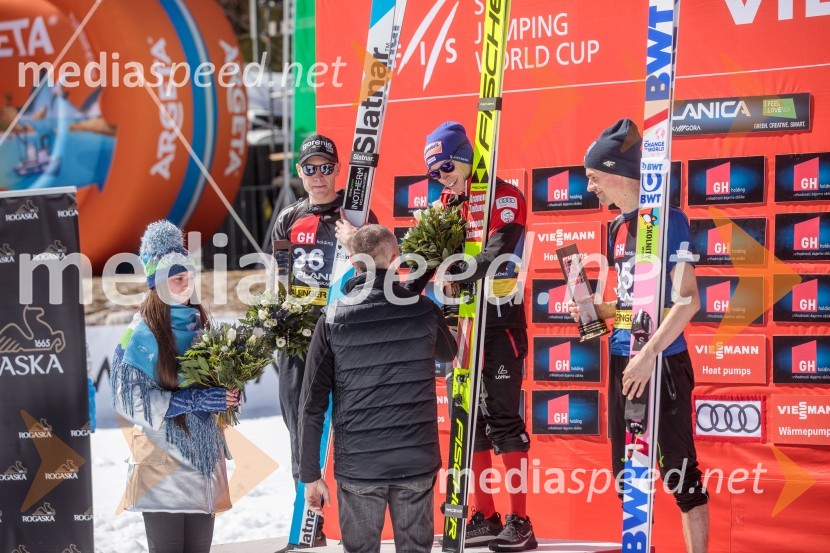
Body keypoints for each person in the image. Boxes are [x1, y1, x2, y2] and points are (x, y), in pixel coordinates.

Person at [572, 118, 709, 553]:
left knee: (681, 475)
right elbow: (635, 305)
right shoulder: (617, 227)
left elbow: (687, 301)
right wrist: (597, 311)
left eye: (594, 176)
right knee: (627, 476)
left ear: (617, 171)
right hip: (624, 358)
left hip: (661, 361)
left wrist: (648, 354)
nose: (590, 187)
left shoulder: (668, 220)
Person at [411, 121, 536, 550]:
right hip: (461, 324)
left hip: (500, 320)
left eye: (446, 166)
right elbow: (426, 256)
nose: (441, 177)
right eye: (433, 172)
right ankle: (485, 514)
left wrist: (458, 274)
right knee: (468, 419)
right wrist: (410, 287)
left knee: (503, 418)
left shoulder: (504, 195)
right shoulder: (445, 203)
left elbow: (500, 248)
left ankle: (522, 521)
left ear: (465, 156)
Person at [299, 224, 457, 553]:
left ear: (353, 262)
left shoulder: (333, 317)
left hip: (359, 467)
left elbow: (312, 404)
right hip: (416, 460)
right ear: (396, 258)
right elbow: (447, 352)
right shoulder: (425, 309)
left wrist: (310, 474)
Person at [111, 220, 240, 553]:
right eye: (177, 278)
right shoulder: (141, 332)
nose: (186, 285)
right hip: (162, 467)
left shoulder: (201, 324)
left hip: (203, 465)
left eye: (189, 277)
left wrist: (229, 393)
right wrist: (192, 401)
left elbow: (217, 380)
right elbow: (127, 399)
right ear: (158, 283)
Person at [269, 134, 378, 510]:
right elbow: (280, 277)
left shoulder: (356, 215)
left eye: (326, 167)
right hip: (300, 337)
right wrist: (277, 320)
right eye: (310, 168)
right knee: (298, 420)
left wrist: (355, 241)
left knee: (349, 424)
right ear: (299, 172)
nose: (318, 175)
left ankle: (352, 515)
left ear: (337, 170)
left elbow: (379, 271)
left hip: (342, 334)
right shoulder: (288, 218)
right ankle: (307, 514)